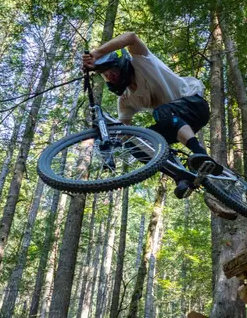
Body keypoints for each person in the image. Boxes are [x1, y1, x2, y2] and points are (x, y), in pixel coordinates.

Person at [82, 32, 234, 217]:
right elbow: (125, 131)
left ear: (120, 65)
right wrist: (110, 145)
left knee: (160, 112)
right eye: (106, 76)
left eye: (111, 72)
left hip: (194, 104)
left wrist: (97, 53)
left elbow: (131, 37)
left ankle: (200, 154)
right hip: (176, 122)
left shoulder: (142, 61)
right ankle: (181, 177)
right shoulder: (125, 100)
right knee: (139, 144)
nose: (110, 78)